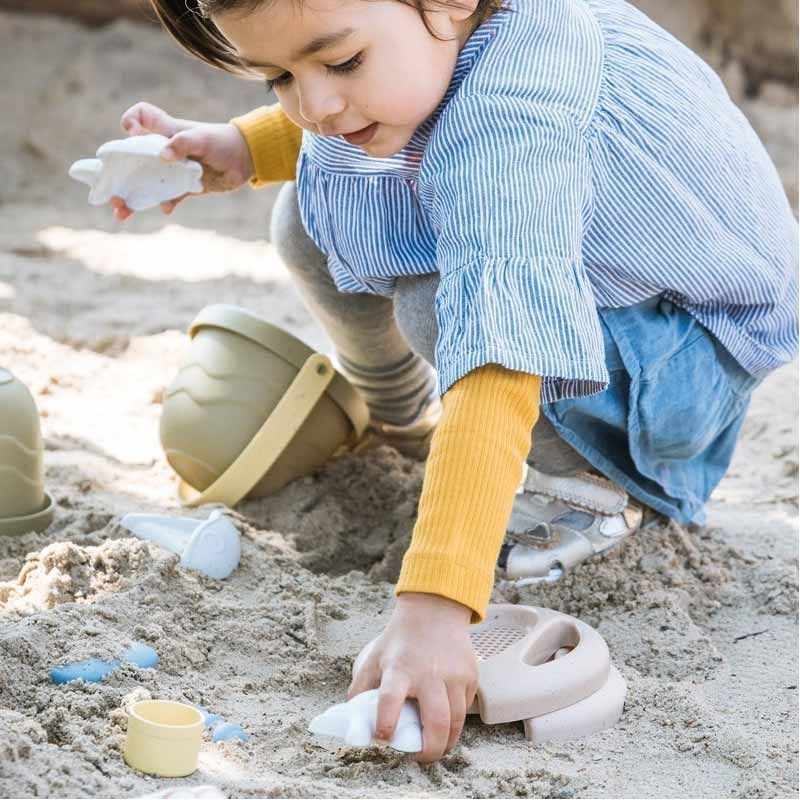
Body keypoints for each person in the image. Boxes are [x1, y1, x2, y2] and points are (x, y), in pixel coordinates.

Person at [109, 0, 798, 762]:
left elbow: (502, 351)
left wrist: (438, 606)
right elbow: (365, 102)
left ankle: (596, 492)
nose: (316, 102)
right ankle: (404, 418)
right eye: (278, 75)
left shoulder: (514, 122)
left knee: (445, 308)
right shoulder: (439, 36)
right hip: (617, 278)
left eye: (340, 63)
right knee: (308, 205)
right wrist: (240, 147)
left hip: (681, 360)